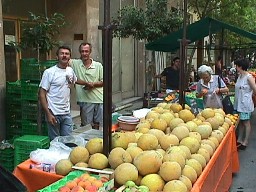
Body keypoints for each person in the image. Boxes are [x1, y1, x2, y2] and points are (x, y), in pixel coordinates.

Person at [39, 46, 79, 140]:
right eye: (62, 53)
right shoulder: (49, 72)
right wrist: (48, 114)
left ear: (70, 57)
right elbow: (42, 93)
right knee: (55, 143)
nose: (64, 56)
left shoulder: (70, 70)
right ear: (57, 56)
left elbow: (73, 82)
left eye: (67, 54)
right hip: (53, 113)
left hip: (66, 113)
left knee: (68, 142)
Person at [70, 42, 103, 130]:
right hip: (84, 100)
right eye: (82, 51)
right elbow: (64, 59)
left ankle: (95, 141)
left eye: (86, 51)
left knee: (97, 125)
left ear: (90, 52)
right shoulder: (75, 63)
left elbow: (105, 81)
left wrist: (93, 84)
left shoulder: (98, 65)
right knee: (86, 126)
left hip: (99, 99)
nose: (84, 53)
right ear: (80, 52)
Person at [234, 58, 256, 150]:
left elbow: (255, 89)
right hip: (239, 102)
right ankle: (239, 140)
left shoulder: (249, 77)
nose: (235, 67)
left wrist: (249, 96)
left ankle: (245, 141)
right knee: (241, 122)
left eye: (236, 66)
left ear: (240, 67)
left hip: (245, 104)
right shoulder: (240, 76)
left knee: (246, 122)